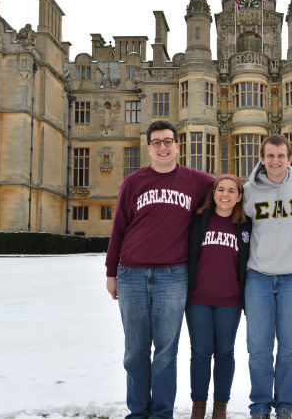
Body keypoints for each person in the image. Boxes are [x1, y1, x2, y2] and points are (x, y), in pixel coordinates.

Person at [105, 120, 214, 419]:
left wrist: (281, 176)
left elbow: (233, 188)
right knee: (135, 352)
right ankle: (138, 413)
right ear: (149, 147)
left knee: (166, 352)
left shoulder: (198, 182)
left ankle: (162, 414)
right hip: (131, 274)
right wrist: (111, 272)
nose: (162, 147)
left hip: (173, 275)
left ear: (178, 146)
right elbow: (119, 228)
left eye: (168, 141)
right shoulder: (134, 183)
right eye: (156, 142)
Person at [242, 134, 292, 419]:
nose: (275, 161)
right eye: (270, 156)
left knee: (290, 349)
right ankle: (260, 405)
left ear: (289, 159)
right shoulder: (248, 191)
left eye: (280, 156)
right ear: (261, 159)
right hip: (258, 277)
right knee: (259, 349)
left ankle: (285, 405)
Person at [186, 174, 251, 419]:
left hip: (230, 300)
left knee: (225, 352)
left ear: (240, 196)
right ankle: (198, 407)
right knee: (200, 353)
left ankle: (220, 407)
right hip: (198, 299)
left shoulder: (246, 224)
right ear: (213, 193)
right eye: (220, 189)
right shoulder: (199, 219)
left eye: (232, 191)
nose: (225, 194)